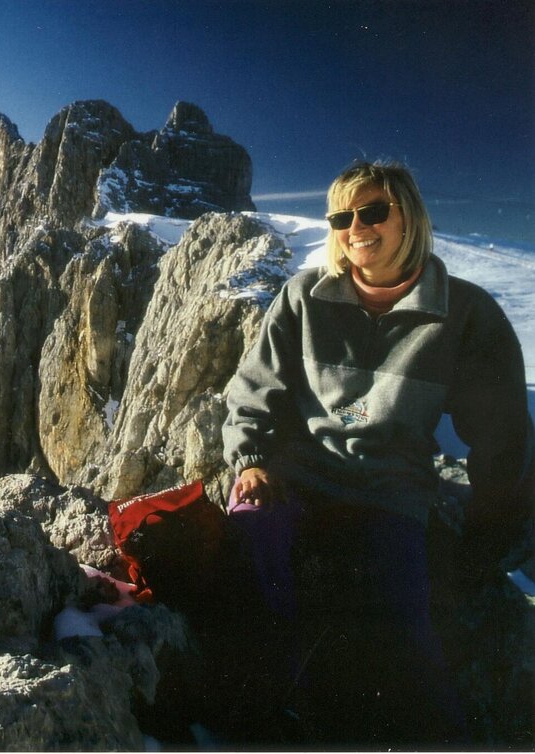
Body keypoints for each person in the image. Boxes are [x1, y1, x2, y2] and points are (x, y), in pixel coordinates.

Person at [220, 160, 534, 746]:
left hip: (391, 492)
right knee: (252, 582)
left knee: (403, 636)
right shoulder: (302, 298)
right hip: (297, 476)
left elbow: (502, 433)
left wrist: (494, 523)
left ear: (409, 216)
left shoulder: (464, 314)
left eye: (373, 211)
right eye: (342, 215)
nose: (355, 226)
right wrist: (252, 461)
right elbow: (253, 391)